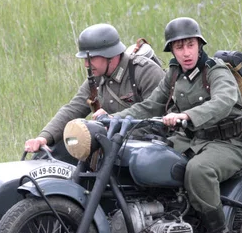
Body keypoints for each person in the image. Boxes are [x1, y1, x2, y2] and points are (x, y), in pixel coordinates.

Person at [108, 17, 242, 233]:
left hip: (230, 141)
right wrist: (111, 120)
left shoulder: (216, 71)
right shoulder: (174, 74)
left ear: (199, 45)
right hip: (192, 141)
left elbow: (223, 101)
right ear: (172, 50)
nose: (186, 53)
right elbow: (149, 106)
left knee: (199, 170)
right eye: (179, 47)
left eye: (190, 45)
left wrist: (187, 115)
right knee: (150, 159)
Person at [24, 23, 165, 157]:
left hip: (146, 149)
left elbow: (155, 115)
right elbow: (73, 109)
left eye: (91, 58)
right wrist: (44, 137)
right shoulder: (96, 78)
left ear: (111, 55)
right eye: (85, 59)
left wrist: (114, 122)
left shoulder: (145, 72)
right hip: (114, 144)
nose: (86, 64)